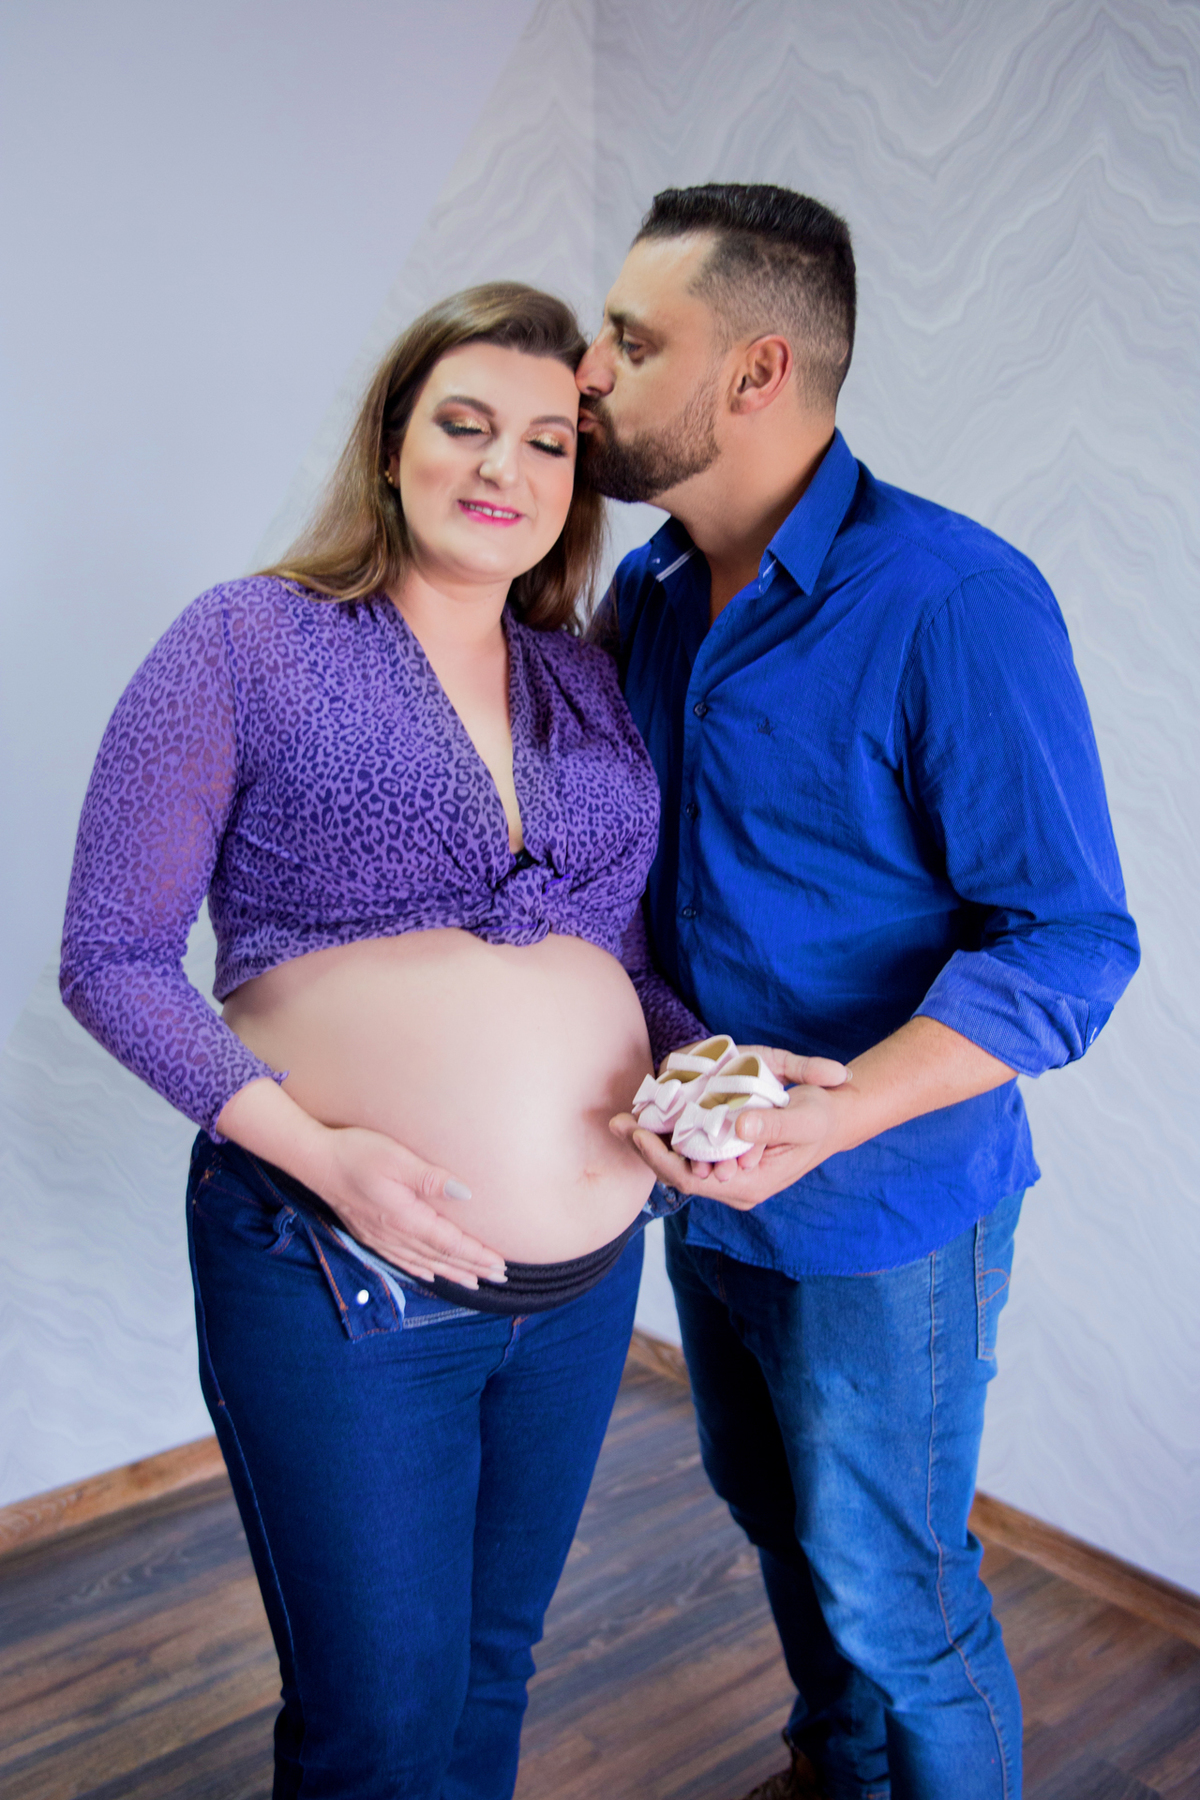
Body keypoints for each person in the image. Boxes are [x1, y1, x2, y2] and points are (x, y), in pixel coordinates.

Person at [62, 282, 847, 1800]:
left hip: (582, 1289)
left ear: (576, 482)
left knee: (494, 1669)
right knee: (378, 1723)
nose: (504, 467)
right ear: (393, 441)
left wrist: (709, 1072)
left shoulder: (581, 678)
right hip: (338, 1269)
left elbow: (614, 960)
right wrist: (322, 1155)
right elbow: (112, 959)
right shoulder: (246, 641)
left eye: (548, 441)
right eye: (465, 425)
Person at [580, 186, 1140, 1800]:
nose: (592, 370)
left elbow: (1072, 943)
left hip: (887, 1216)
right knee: (771, 1518)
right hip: (710, 1195)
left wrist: (833, 1120)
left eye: (634, 341)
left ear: (758, 372)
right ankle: (837, 1771)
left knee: (901, 1596)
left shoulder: (955, 602)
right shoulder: (650, 598)